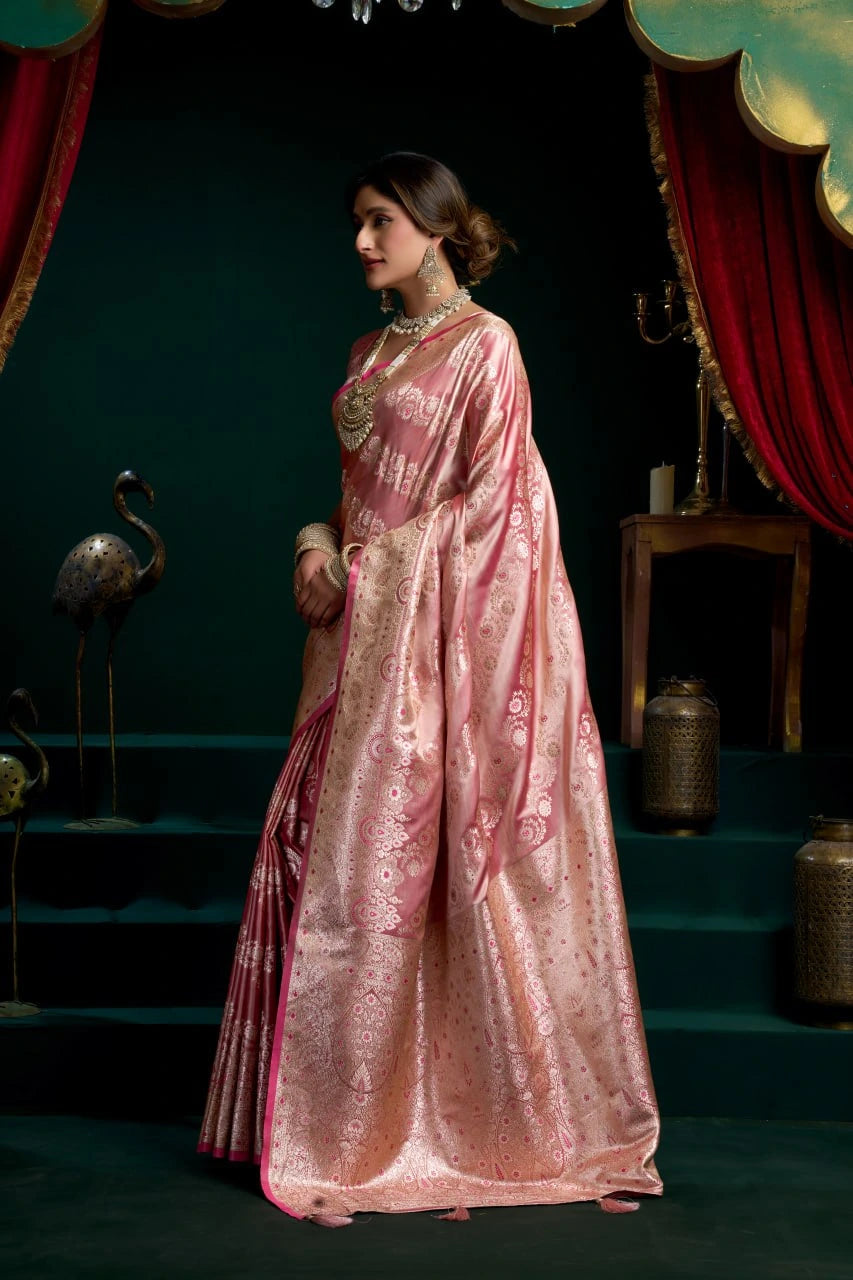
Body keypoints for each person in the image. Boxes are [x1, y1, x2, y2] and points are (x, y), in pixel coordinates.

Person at [199, 152, 662, 1224]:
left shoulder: (487, 349)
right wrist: (314, 547)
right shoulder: (368, 350)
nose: (361, 242)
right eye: (356, 222)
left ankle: (424, 1131)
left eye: (379, 221)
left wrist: (365, 569)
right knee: (334, 872)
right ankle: (339, 1118)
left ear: (436, 227)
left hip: (429, 668)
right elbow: (353, 502)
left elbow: (499, 519)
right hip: (355, 648)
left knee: (404, 873)